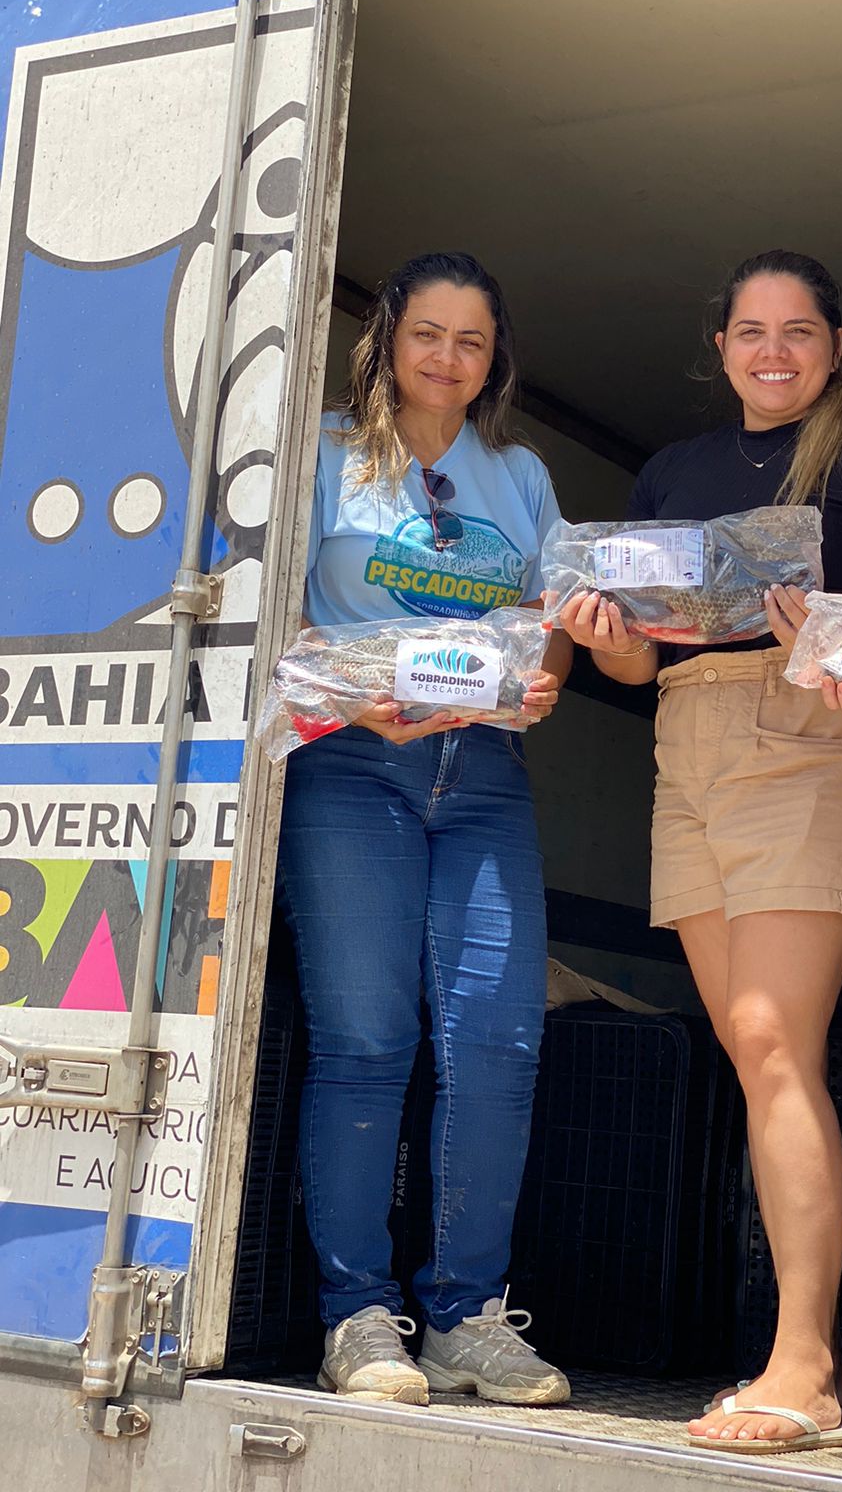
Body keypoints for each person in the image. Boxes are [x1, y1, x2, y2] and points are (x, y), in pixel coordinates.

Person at [558, 250, 842, 1454]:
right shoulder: (672, 469)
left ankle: (806, 1368)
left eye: (799, 331)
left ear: (835, 345)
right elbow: (634, 661)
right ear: (720, 347)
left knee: (771, 1041)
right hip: (688, 737)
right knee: (752, 1050)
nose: (775, 352)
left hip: (813, 729)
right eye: (752, 331)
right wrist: (601, 633)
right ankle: (790, 1359)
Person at [274, 252, 572, 1408]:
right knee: (365, 1038)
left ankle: (465, 1316)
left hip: (484, 771)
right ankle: (356, 1315)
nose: (448, 358)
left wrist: (543, 676)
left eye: (472, 341)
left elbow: (549, 614)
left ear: (496, 360)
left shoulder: (519, 473)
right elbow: (277, 613)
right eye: (428, 334)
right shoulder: (323, 452)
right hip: (352, 762)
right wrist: (356, 698)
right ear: (390, 338)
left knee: (497, 1042)